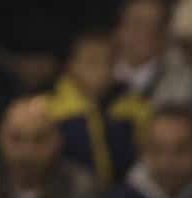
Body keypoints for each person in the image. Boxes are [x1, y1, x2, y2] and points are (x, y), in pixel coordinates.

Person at [50, 28, 154, 187]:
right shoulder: (53, 110)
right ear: (71, 66)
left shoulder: (134, 107)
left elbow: (147, 156)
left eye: (109, 61)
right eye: (92, 61)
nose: (102, 68)